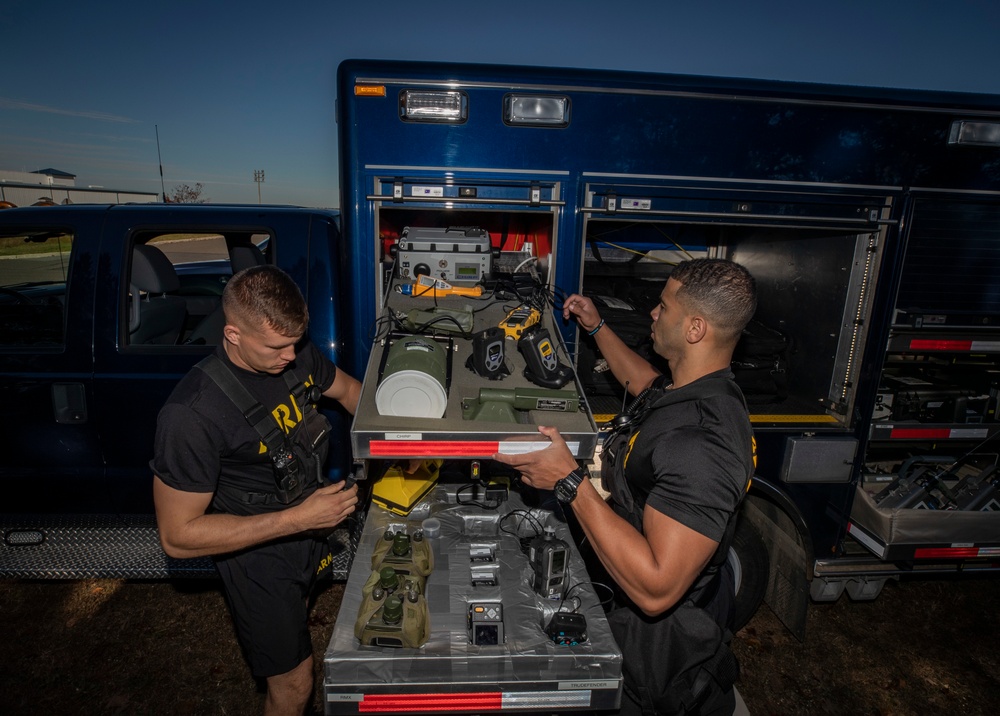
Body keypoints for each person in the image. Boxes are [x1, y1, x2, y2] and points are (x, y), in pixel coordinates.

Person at [493, 258, 757, 716]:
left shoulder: (702, 445)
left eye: (663, 306)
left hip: (658, 656)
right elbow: (645, 383)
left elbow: (657, 589)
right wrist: (597, 328)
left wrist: (569, 481)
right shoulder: (700, 387)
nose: (653, 313)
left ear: (694, 328)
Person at [151, 264, 362, 716]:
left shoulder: (296, 352)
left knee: (299, 618)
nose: (291, 354)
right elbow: (177, 536)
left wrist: (402, 435)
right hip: (258, 556)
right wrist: (297, 520)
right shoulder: (192, 414)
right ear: (232, 334)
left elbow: (348, 391)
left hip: (307, 527)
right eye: (276, 346)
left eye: (295, 341)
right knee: (293, 684)